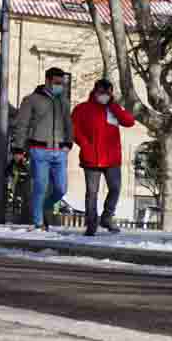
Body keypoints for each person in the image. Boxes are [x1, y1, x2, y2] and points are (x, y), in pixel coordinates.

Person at [72, 77, 137, 236]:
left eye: (108, 93)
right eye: (102, 92)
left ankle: (107, 217)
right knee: (91, 192)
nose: (104, 96)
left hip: (112, 158)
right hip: (91, 157)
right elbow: (73, 129)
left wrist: (113, 107)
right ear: (95, 91)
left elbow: (129, 122)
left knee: (115, 188)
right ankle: (91, 223)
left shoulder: (113, 108)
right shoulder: (82, 108)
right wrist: (85, 144)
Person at [13, 66, 76, 228]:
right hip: (39, 150)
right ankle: (38, 222)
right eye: (57, 82)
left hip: (60, 151)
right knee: (40, 186)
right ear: (47, 81)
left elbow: (69, 124)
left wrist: (69, 142)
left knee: (61, 189)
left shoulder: (64, 102)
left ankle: (44, 207)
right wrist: (18, 149)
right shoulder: (31, 100)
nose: (60, 86)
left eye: (62, 83)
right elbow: (22, 125)